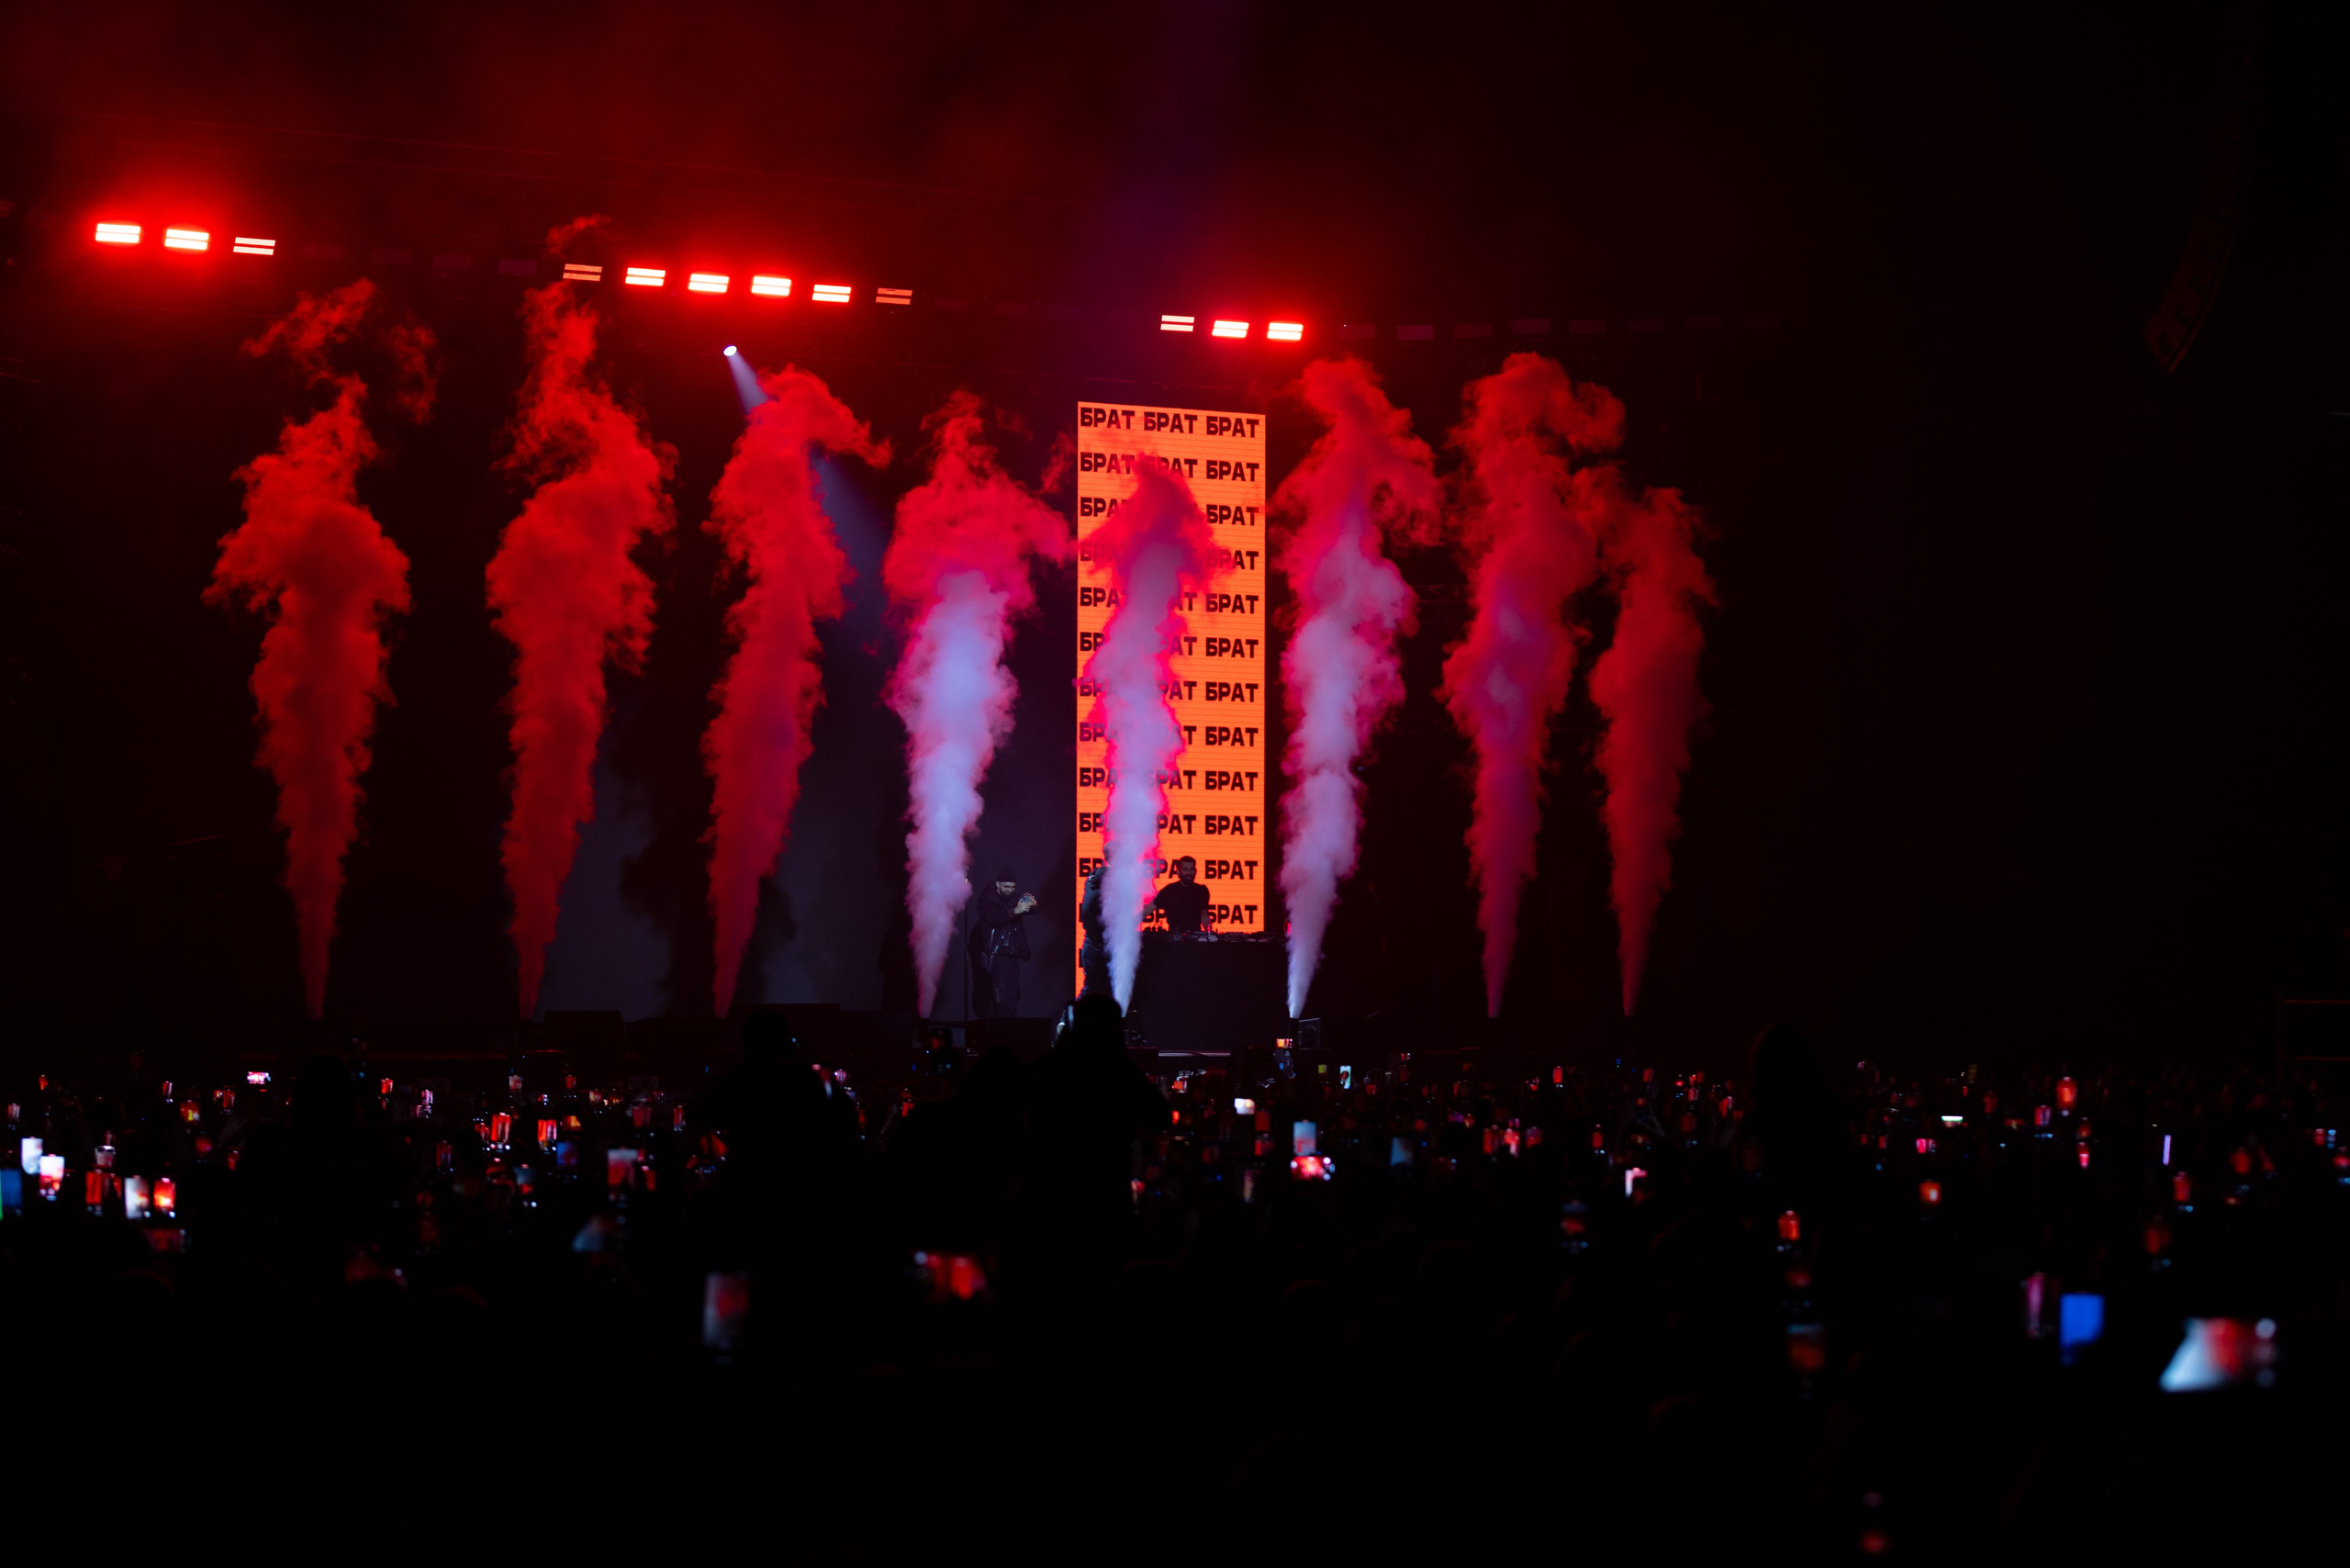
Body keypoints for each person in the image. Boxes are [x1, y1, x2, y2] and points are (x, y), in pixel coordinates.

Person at [968, 867, 1035, 1017]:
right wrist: (1015, 911)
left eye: (1012, 887)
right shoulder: (988, 900)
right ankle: (1002, 1030)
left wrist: (1032, 904)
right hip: (998, 954)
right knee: (1003, 996)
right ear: (997, 884)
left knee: (1010, 995)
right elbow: (994, 917)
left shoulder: (1012, 897)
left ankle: (1001, 1030)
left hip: (1011, 953)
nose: (1010, 890)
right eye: (1006, 886)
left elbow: (1030, 909)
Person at [1149, 856, 1214, 935]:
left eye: (1191, 869)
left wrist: (1210, 934)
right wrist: (1131, 926)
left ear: (1195, 871)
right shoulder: (1169, 890)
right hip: (1174, 939)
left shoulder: (1202, 890)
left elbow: (1204, 914)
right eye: (1185, 869)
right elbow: (1148, 909)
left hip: (1196, 938)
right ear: (1178, 871)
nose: (1189, 873)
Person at [1078, 864, 1111, 998]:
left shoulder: (1093, 877)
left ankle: (1066, 1019)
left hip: (1090, 941)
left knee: (1090, 988)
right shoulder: (1113, 879)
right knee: (1110, 989)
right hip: (1105, 944)